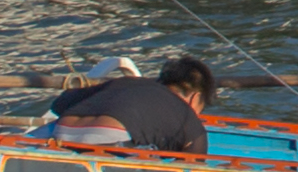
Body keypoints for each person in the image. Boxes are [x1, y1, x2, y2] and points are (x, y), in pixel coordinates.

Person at [49, 52, 217, 158]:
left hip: (62, 133)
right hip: (109, 140)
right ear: (195, 98)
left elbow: (59, 104)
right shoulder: (187, 115)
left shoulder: (127, 83)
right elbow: (194, 167)